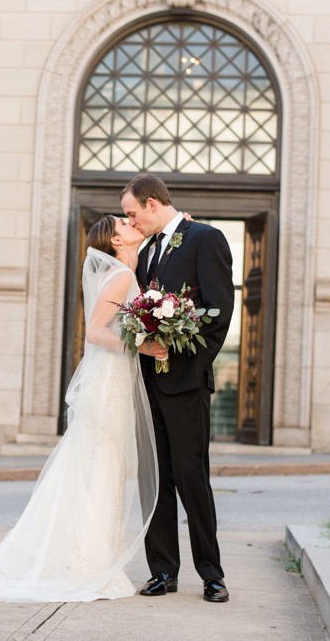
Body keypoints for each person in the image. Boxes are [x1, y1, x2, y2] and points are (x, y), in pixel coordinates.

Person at [0, 215, 159, 603]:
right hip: (107, 382)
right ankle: (85, 564)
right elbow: (96, 331)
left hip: (114, 379)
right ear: (115, 239)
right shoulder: (121, 278)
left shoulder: (127, 272)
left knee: (102, 469)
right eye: (125, 223)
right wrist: (142, 346)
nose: (133, 224)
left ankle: (92, 558)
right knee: (100, 466)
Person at [120, 172, 235, 603]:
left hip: (185, 386)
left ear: (152, 204)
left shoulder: (206, 238)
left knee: (192, 478)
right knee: (156, 479)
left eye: (133, 213)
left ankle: (212, 574)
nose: (131, 222)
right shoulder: (146, 252)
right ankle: (163, 571)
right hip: (147, 386)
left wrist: (178, 358)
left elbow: (218, 313)